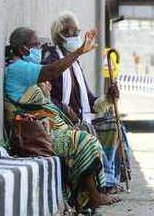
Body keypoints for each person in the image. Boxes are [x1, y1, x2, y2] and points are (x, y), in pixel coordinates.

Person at [3, 27, 120, 210]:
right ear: (23, 49)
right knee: (83, 140)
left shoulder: (66, 67)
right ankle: (93, 196)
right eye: (35, 45)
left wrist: (108, 98)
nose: (39, 49)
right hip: (41, 134)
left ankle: (98, 189)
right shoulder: (19, 69)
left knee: (90, 133)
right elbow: (52, 71)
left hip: (55, 126)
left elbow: (91, 102)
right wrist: (79, 51)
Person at [42, 11, 130, 194]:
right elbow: (45, 96)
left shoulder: (75, 64)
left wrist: (108, 98)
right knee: (86, 129)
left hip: (80, 121)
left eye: (76, 32)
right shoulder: (52, 58)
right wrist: (65, 109)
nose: (74, 36)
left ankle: (111, 177)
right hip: (61, 124)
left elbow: (91, 102)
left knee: (114, 125)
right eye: (69, 32)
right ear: (59, 36)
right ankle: (104, 183)